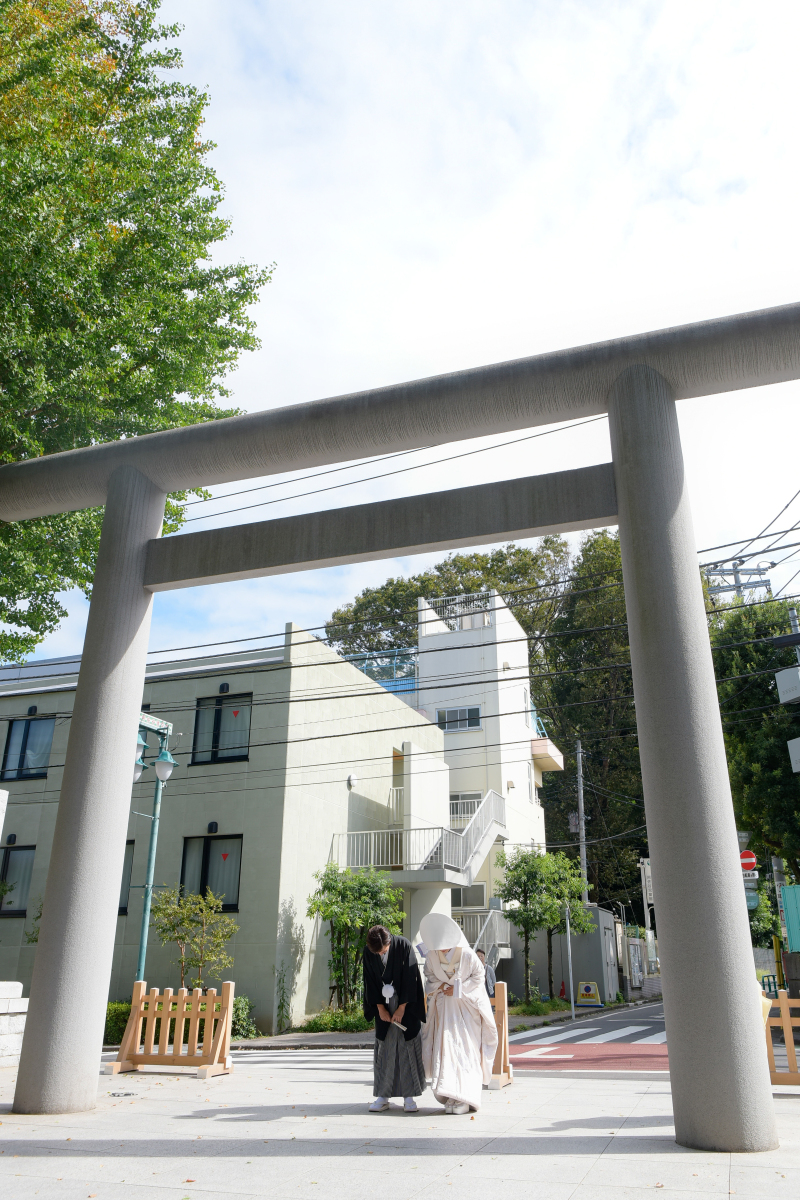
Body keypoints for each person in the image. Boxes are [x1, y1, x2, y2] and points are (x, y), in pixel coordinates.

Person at [419, 912, 498, 1114]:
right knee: (445, 1049)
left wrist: (458, 988)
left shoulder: (467, 954)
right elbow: (429, 977)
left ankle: (465, 1097)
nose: (442, 949)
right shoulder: (432, 955)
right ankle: (449, 1096)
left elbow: (479, 977)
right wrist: (442, 986)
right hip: (445, 1009)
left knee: (465, 1049)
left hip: (466, 1010)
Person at [362, 924, 426, 1113]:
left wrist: (402, 1007)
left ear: (389, 941)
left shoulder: (404, 945)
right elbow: (369, 981)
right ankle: (383, 1095)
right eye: (378, 952)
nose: (381, 953)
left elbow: (411, 978)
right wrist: (380, 1008)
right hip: (382, 1004)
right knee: (385, 1049)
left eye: (383, 950)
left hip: (405, 1003)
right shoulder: (369, 952)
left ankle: (409, 1097)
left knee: (407, 1049)